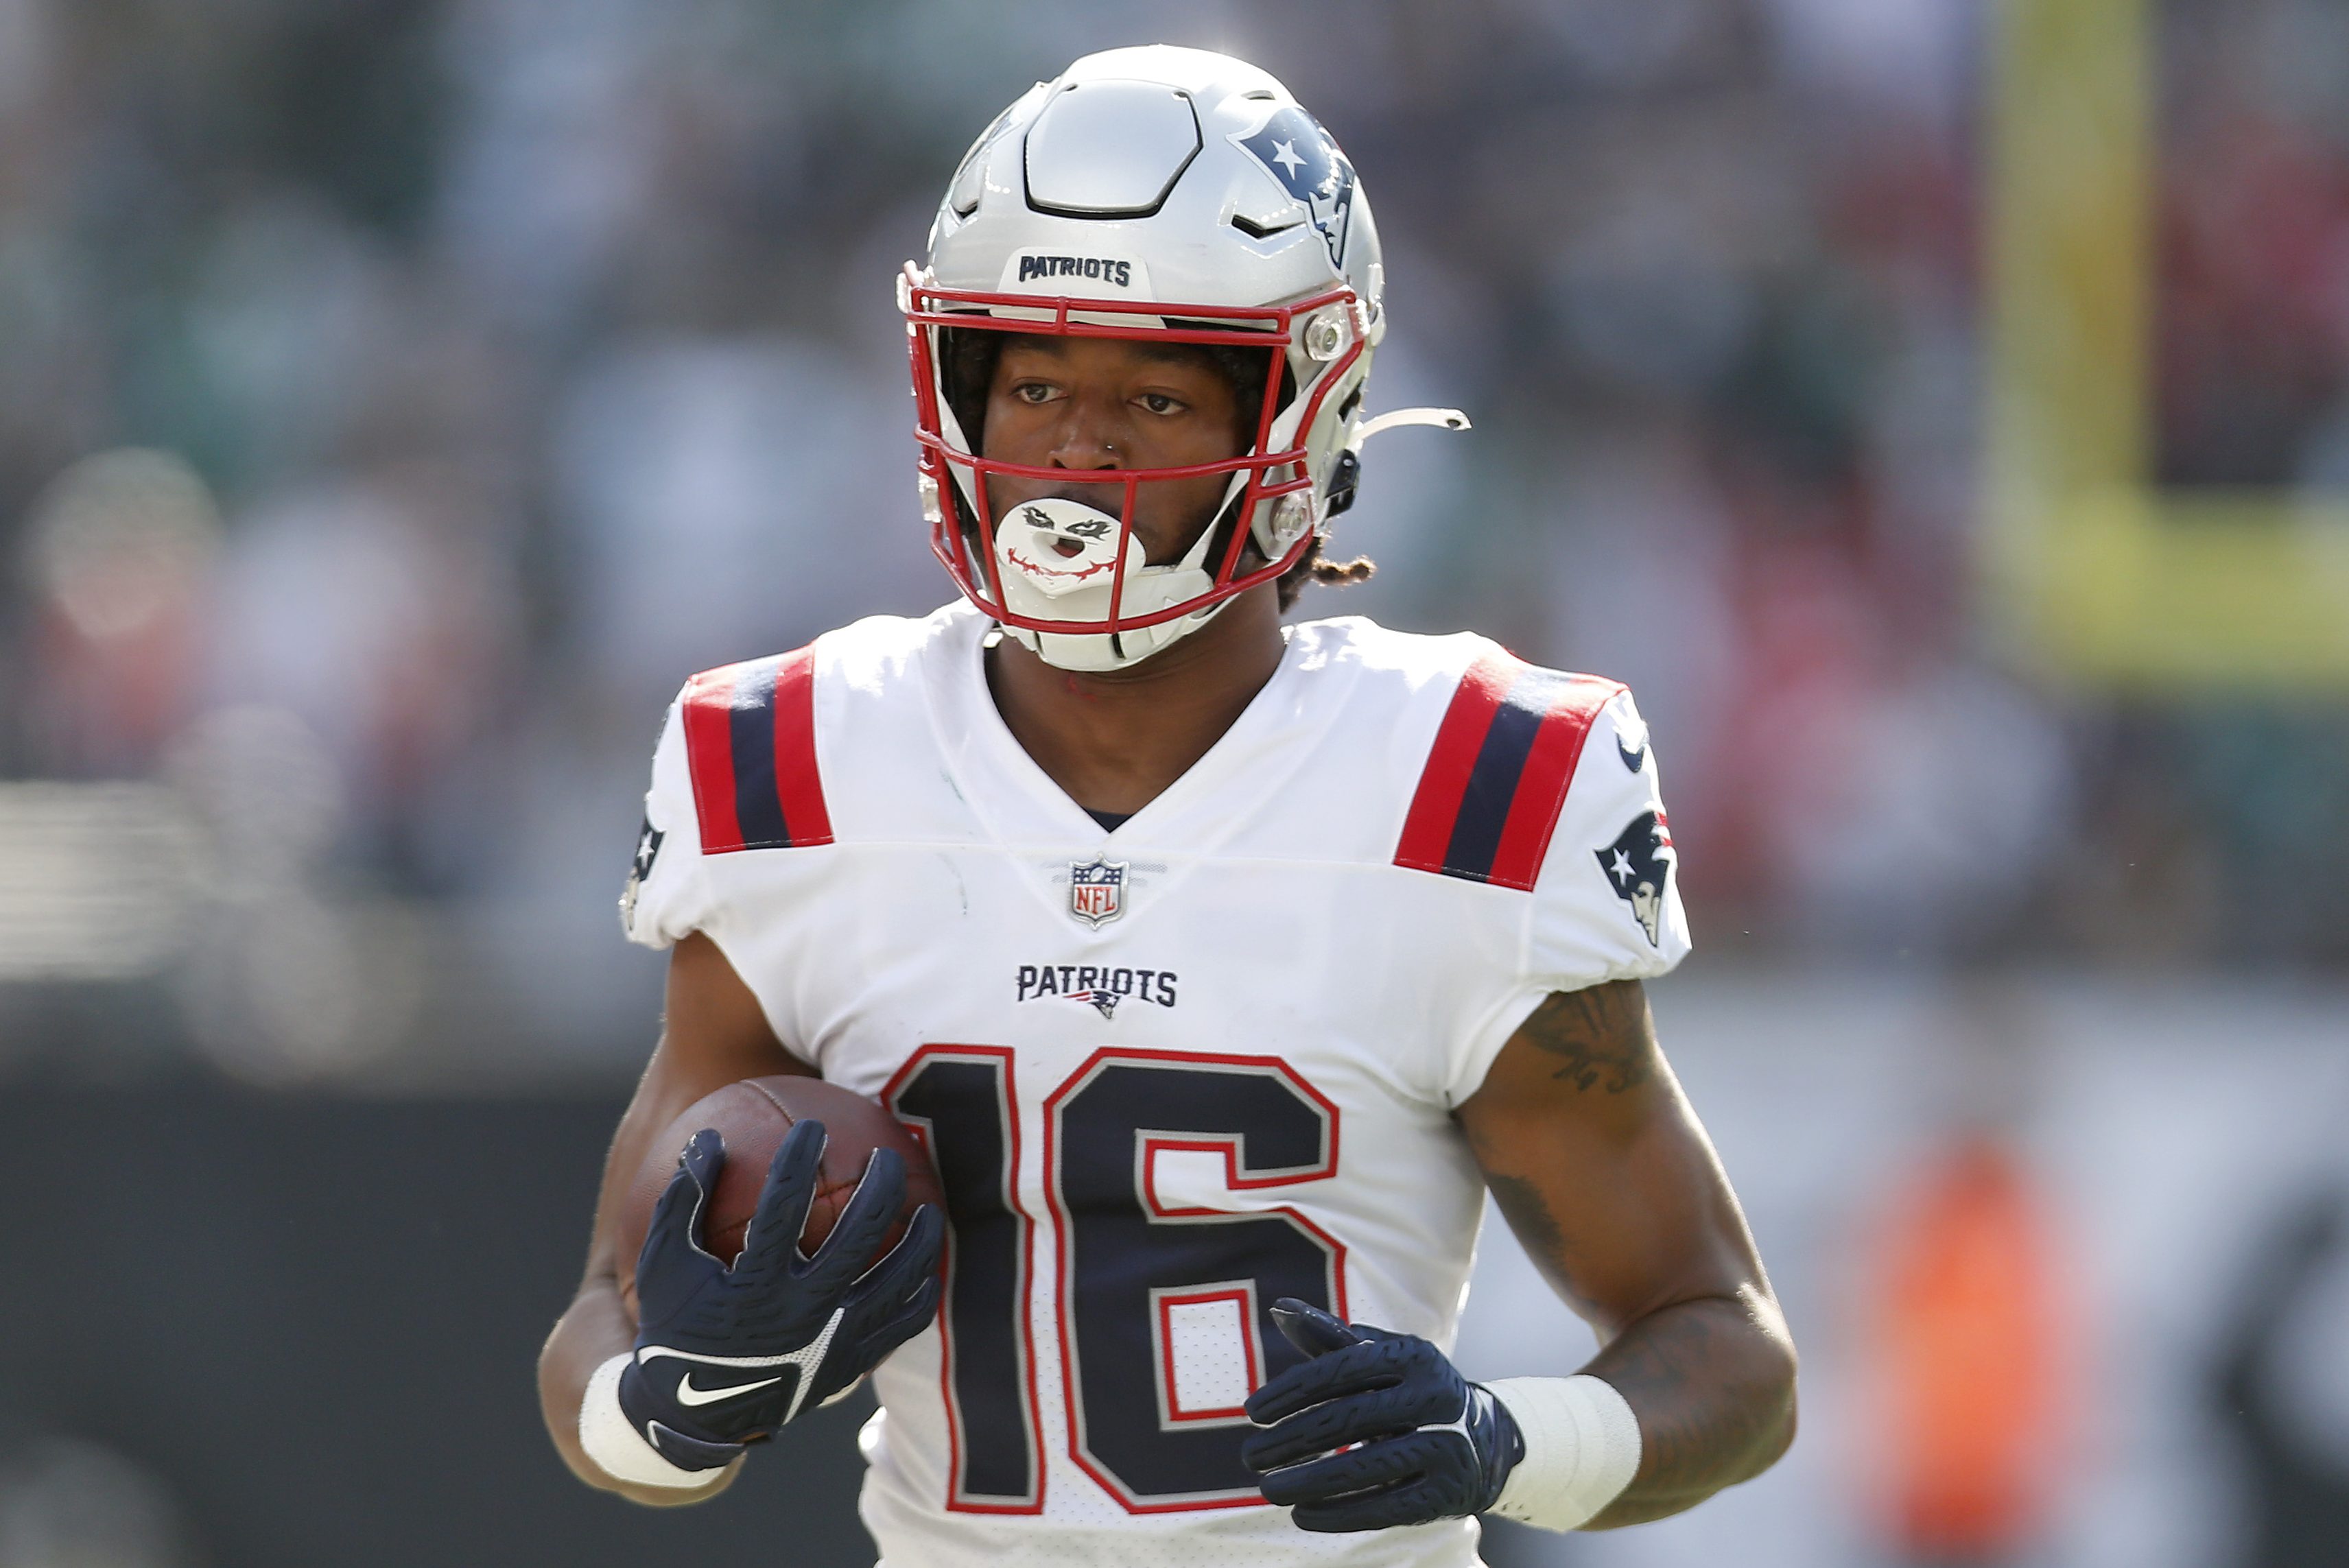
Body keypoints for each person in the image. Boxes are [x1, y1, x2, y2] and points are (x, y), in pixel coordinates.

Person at [538, 45, 1796, 1566]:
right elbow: (608, 1318)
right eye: (1037, 381)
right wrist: (659, 1409)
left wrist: (1503, 1442)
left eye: (1152, 389)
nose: (1078, 444)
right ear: (955, 393)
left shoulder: (1466, 785)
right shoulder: (798, 760)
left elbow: (1722, 1348)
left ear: (1299, 413)